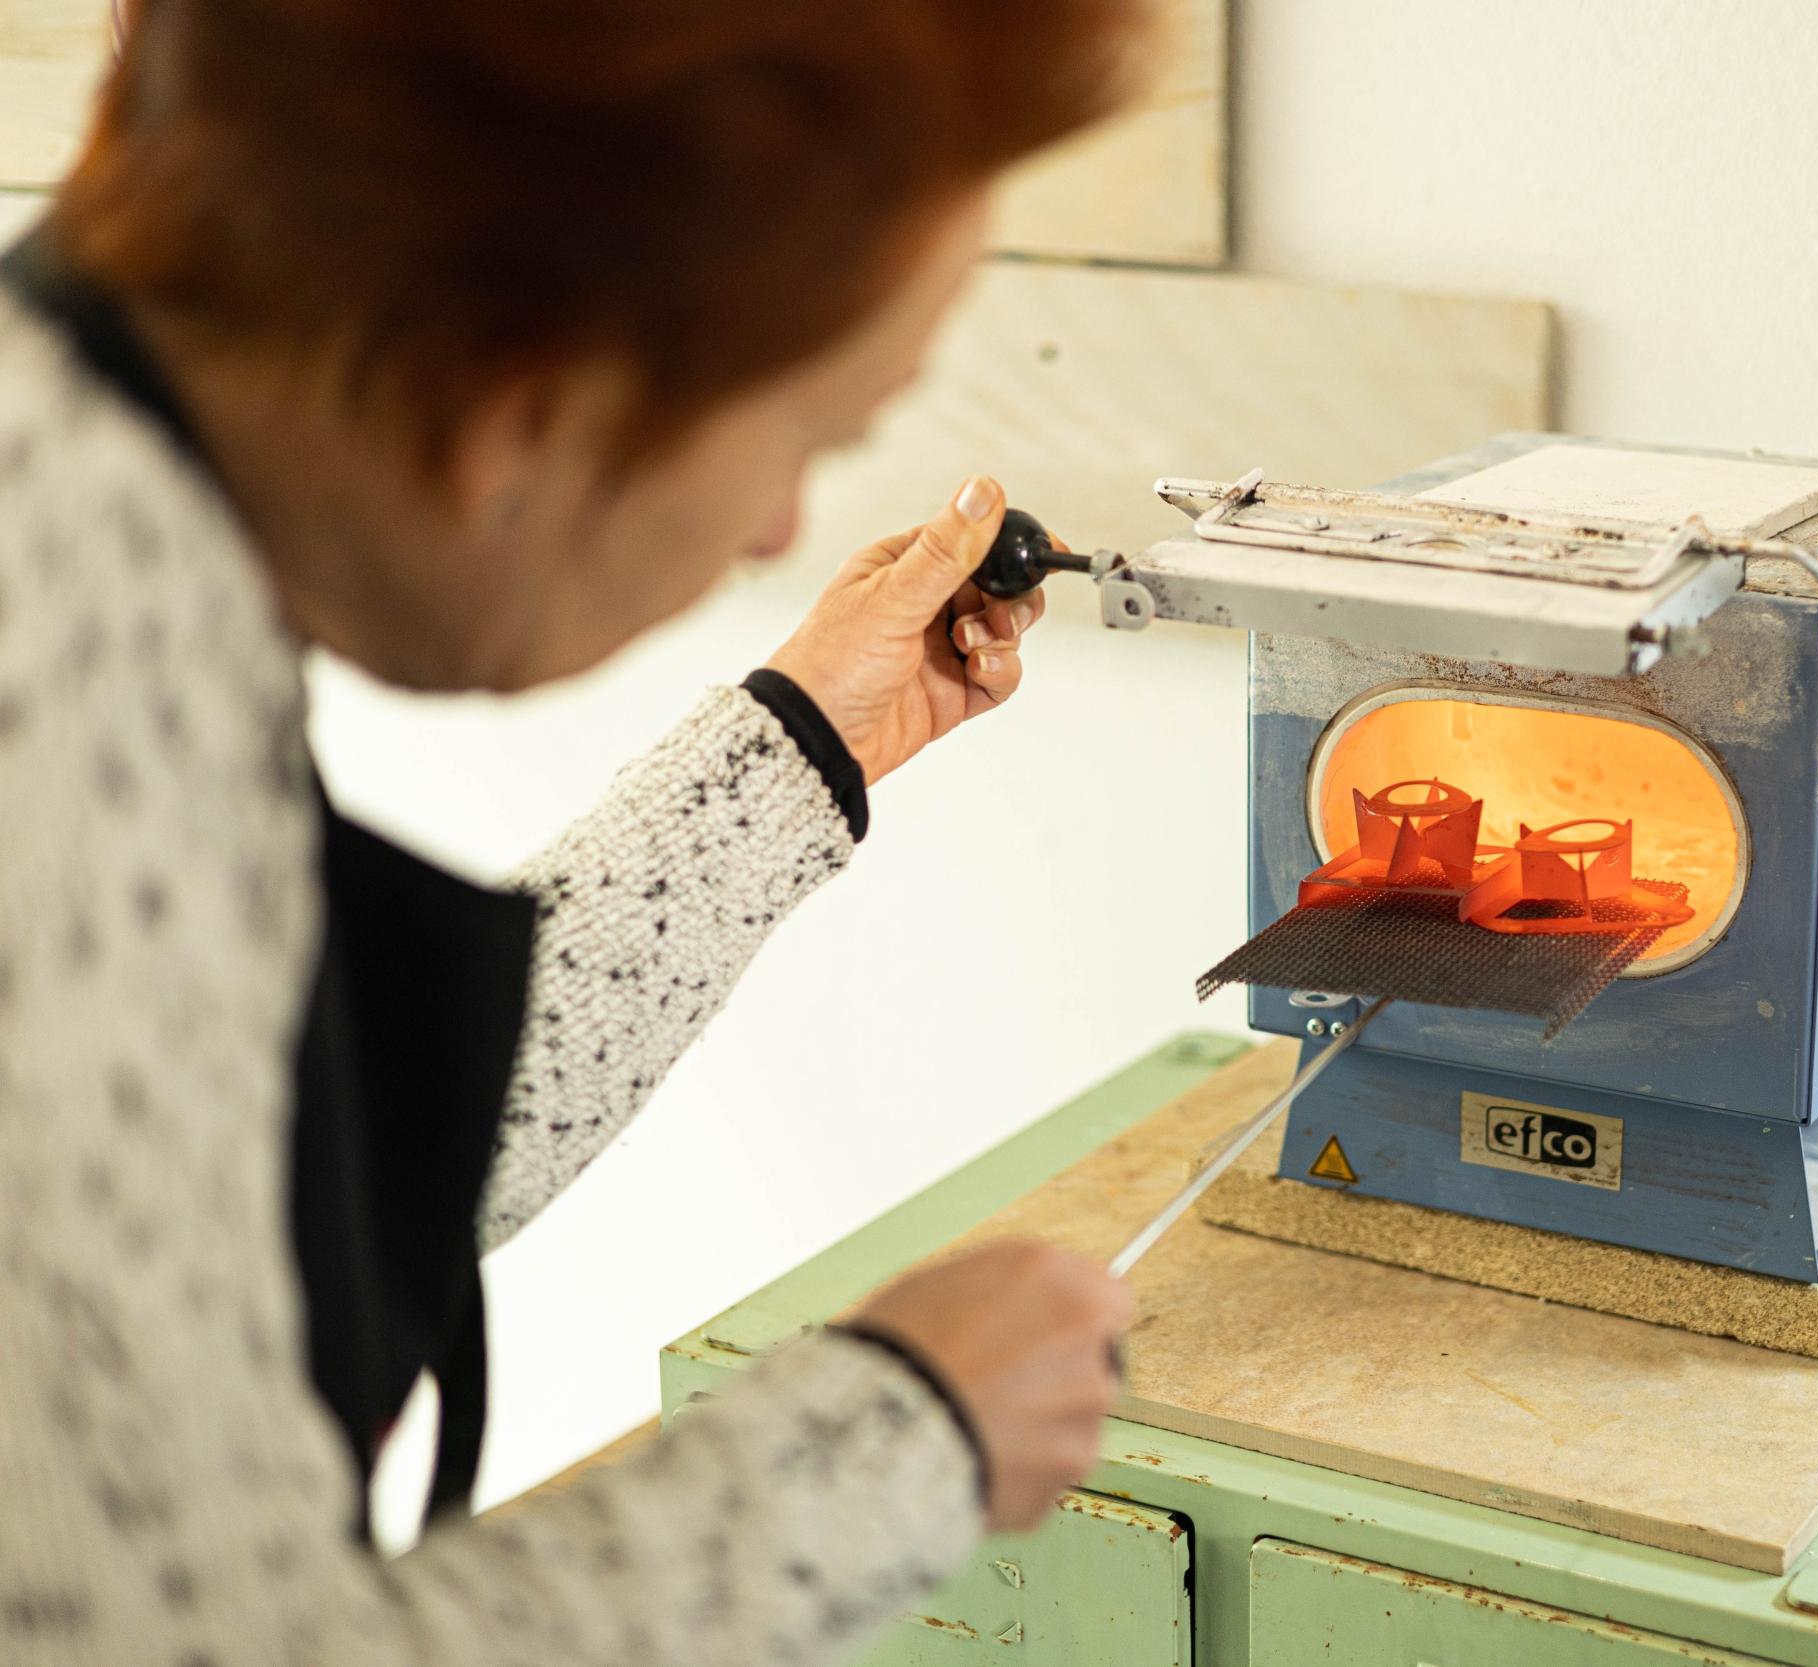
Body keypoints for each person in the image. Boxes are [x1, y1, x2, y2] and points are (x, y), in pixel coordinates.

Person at [0, 0, 1156, 1661]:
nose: (775, 522)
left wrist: (803, 746)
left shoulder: (85, 523)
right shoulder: (56, 748)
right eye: (810, 438)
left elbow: (266, 1181)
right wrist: (890, 1443)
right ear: (514, 415)